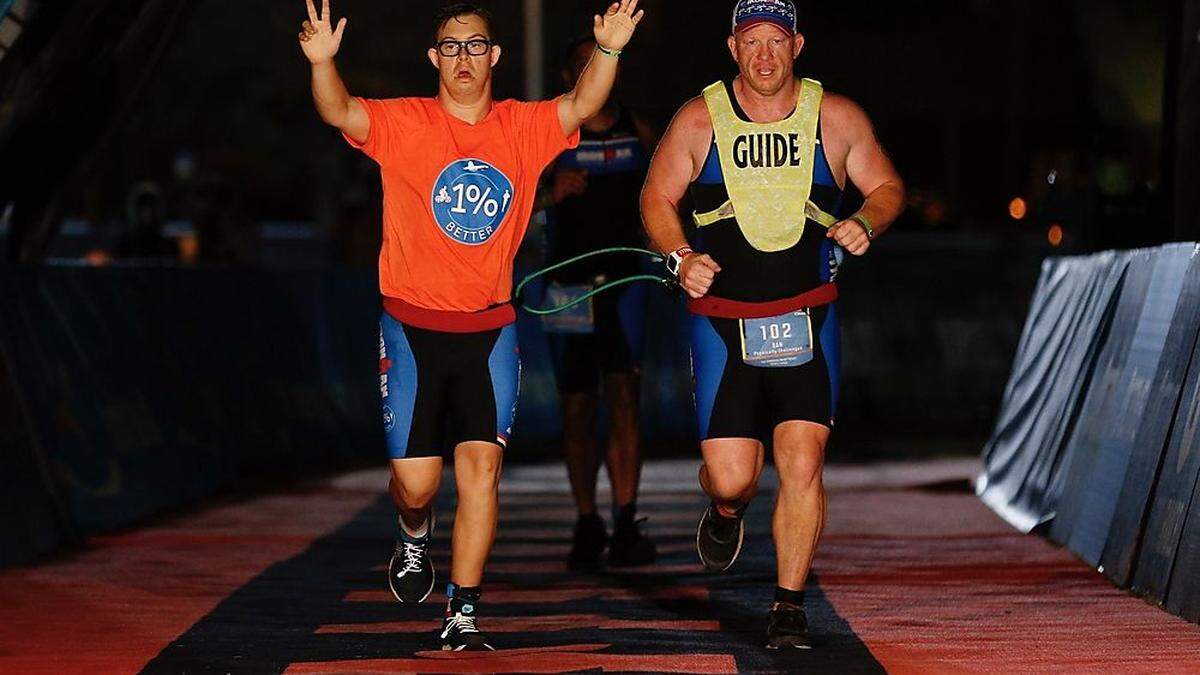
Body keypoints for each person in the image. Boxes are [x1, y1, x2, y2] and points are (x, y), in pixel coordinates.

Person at [298, 0, 644, 651]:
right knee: (418, 485)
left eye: (475, 45)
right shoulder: (405, 122)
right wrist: (322, 64)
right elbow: (340, 111)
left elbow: (580, 104)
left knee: (481, 471)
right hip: (411, 328)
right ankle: (413, 530)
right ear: (435, 59)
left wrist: (611, 50)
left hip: (489, 329)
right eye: (451, 47)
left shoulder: (521, 127)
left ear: (494, 57)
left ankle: (462, 612)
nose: (463, 57)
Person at [640, 0, 904, 650]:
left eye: (776, 42)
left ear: (798, 45)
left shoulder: (836, 118)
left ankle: (788, 604)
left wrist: (865, 221)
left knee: (803, 461)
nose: (764, 55)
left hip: (807, 319)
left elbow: (888, 186)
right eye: (751, 42)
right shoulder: (699, 118)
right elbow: (655, 195)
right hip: (724, 324)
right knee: (734, 477)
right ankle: (726, 509)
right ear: (732, 48)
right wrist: (680, 257)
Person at [541, 35, 659, 570]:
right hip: (566, 283)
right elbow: (508, 200)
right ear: (568, 77)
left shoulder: (641, 130)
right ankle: (587, 521)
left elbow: (670, 197)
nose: (593, 71)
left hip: (626, 281)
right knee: (577, 403)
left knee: (626, 397)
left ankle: (626, 520)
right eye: (581, 63)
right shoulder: (549, 133)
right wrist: (548, 194)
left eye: (601, 61)